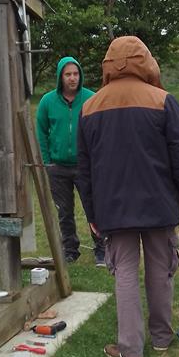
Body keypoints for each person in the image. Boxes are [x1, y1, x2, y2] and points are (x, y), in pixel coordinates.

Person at [77, 36, 179, 357]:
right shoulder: (163, 100)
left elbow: (84, 169)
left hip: (113, 207)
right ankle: (162, 338)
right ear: (146, 61)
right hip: (158, 203)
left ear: (108, 65)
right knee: (161, 268)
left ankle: (131, 349)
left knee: (124, 271)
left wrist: (92, 213)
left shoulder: (89, 107)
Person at [36, 56, 105, 266]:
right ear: (60, 77)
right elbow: (41, 132)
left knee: (93, 208)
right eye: (68, 74)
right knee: (64, 211)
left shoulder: (92, 98)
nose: (72, 78)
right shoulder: (47, 101)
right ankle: (70, 250)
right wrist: (48, 161)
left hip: (85, 166)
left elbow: (101, 131)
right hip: (57, 167)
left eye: (75, 74)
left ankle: (102, 249)